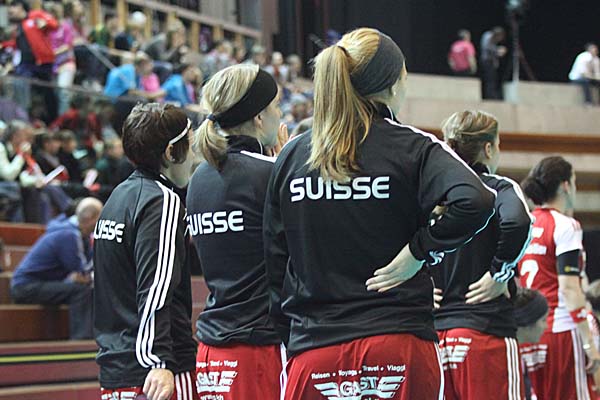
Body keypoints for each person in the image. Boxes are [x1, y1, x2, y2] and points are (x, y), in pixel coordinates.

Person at [264, 27, 496, 399]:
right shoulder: (413, 146)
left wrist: (294, 334)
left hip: (315, 349)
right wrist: (419, 251)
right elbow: (478, 199)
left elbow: (275, 260)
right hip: (398, 344)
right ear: (391, 85)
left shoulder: (292, 155)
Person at [188, 64, 286, 399]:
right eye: (276, 107)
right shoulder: (269, 175)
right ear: (259, 117)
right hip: (259, 350)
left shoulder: (199, 178)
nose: (280, 114)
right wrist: (286, 167)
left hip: (212, 351)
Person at [94, 103, 198, 400]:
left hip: (116, 370)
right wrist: (159, 360)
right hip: (158, 376)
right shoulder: (162, 201)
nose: (193, 157)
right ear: (170, 152)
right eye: (190, 145)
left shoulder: (117, 197)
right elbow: (156, 288)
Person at [432, 110, 533, 400]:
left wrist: (419, 285)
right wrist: (500, 272)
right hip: (485, 332)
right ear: (488, 149)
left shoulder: (432, 195)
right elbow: (518, 223)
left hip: (438, 339)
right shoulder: (498, 187)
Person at [518, 156, 600, 400]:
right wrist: (589, 343)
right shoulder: (565, 225)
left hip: (530, 332)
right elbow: (569, 289)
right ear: (566, 185)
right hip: (562, 329)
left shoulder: (527, 223)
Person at [10, 197, 102, 339]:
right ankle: (81, 340)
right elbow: (82, 270)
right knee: (81, 291)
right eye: (100, 218)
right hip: (26, 287)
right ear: (91, 218)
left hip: (39, 283)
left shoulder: (75, 233)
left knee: (85, 288)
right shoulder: (69, 235)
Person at [8, 0, 58, 122]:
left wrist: (45, 23)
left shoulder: (35, 15)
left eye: (12, 9)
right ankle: (23, 117)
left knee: (48, 92)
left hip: (43, 62)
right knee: (21, 84)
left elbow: (54, 24)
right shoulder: (17, 27)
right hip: (26, 64)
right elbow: (15, 45)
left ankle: (53, 120)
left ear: (20, 7)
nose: (10, 12)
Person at [514, 288, 549, 400]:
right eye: (543, 320)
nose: (546, 326)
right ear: (527, 322)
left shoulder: (516, 353)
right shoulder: (504, 356)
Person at [480, 27, 507, 100]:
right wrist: (497, 50)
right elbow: (486, 47)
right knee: (489, 79)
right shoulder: (487, 36)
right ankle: (489, 96)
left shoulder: (492, 40)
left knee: (493, 79)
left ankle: (492, 95)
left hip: (491, 62)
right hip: (487, 61)